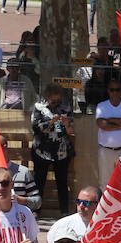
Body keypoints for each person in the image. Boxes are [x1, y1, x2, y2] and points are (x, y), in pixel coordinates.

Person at [31, 84, 76, 213]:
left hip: (61, 152)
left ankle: (64, 211)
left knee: (62, 183)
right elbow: (35, 128)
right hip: (42, 151)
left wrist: (67, 124)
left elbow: (71, 131)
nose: (55, 103)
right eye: (53, 100)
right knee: (39, 182)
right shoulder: (38, 108)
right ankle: (36, 211)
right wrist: (51, 122)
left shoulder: (66, 108)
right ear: (47, 97)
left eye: (58, 100)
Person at [96, 78, 121, 181]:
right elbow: (101, 124)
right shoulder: (101, 106)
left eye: (117, 89)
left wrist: (110, 121)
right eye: (112, 90)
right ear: (108, 91)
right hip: (106, 151)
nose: (115, 92)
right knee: (105, 183)